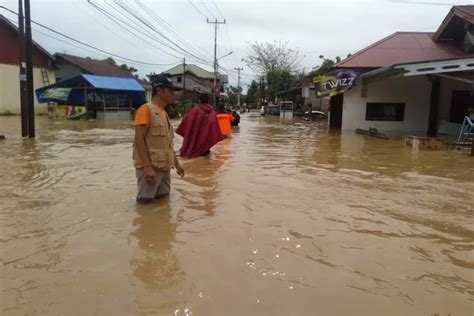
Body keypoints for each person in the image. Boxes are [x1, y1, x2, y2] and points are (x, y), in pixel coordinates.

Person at [133, 75, 185, 204]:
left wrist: (177, 164)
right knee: (145, 206)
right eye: (171, 91)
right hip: (151, 170)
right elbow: (138, 139)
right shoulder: (145, 110)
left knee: (163, 205)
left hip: (165, 169)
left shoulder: (164, 113)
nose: (174, 94)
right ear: (160, 90)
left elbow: (168, 144)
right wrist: (147, 167)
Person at [176, 93, 223, 158]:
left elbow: (186, 123)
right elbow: (214, 127)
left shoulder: (194, 110)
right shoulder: (212, 112)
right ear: (208, 100)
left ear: (199, 100)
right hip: (205, 145)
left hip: (195, 140)